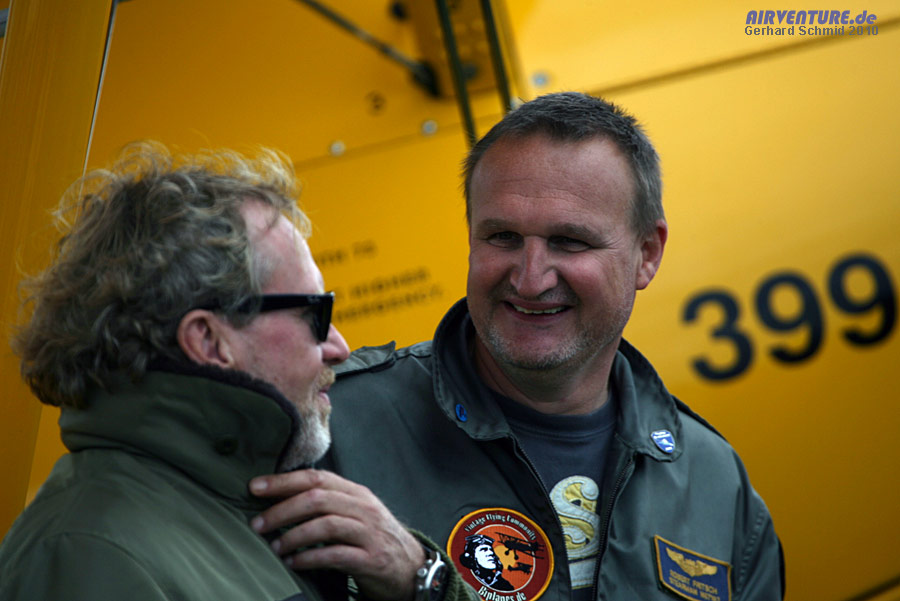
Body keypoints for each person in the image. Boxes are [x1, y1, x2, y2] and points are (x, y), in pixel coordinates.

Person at [250, 92, 785, 600]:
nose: (530, 279)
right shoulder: (328, 430)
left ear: (647, 254)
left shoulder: (716, 484)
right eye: (502, 237)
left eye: (569, 241)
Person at [0, 143, 470, 601]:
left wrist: (421, 582)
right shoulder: (89, 557)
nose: (339, 348)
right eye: (315, 314)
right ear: (208, 340)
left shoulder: (237, 500)